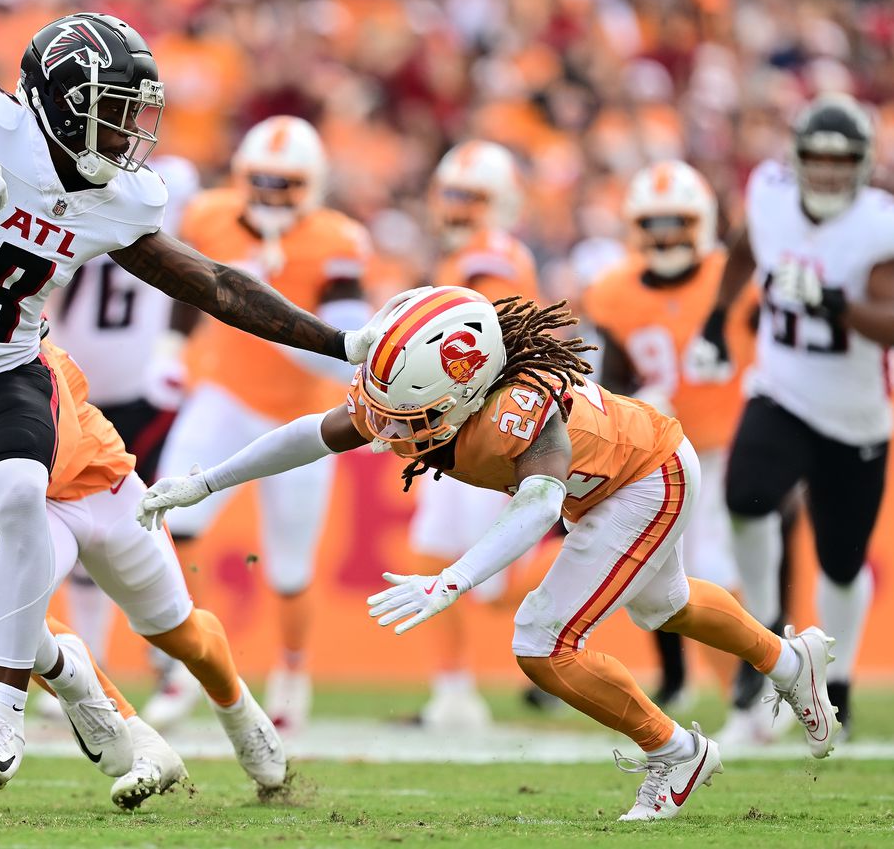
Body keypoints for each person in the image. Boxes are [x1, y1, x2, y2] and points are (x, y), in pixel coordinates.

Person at [0, 13, 392, 788]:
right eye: (116, 106)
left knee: (19, 489)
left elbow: (218, 285)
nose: (131, 128)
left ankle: (4, 721)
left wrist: (341, 343)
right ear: (59, 102)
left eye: (136, 109)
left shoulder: (118, 199)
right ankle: (100, 709)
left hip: (7, 370)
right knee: (0, 617)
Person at [138, 286, 840, 821]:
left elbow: (537, 506)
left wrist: (451, 580)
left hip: (644, 479)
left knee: (543, 640)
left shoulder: (519, 406)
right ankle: (789, 660)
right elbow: (315, 431)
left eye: (406, 415)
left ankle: (676, 753)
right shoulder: (436, 384)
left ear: (468, 384)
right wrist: (205, 480)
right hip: (614, 478)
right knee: (667, 605)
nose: (388, 431)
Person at [690, 93, 894, 740]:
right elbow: (745, 246)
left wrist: (832, 304)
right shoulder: (768, 193)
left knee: (840, 562)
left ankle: (839, 684)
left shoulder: (885, 225)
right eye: (816, 158)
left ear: (863, 164)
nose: (825, 172)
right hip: (782, 390)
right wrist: (717, 317)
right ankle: (766, 637)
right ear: (796, 159)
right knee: (744, 495)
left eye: (841, 160)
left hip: (855, 418)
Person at [146, 116, 372, 732]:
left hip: (301, 416)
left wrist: (265, 298)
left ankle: (293, 674)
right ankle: (181, 666)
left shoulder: (338, 240)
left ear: (313, 185)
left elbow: (341, 341)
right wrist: (170, 348)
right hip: (222, 396)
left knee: (291, 567)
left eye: (286, 184)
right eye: (261, 181)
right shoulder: (210, 215)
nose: (271, 195)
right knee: (169, 521)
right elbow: (184, 290)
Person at [582, 160, 756, 709]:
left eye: (676, 222)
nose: (665, 236)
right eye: (653, 224)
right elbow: (611, 380)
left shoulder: (732, 279)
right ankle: (736, 689)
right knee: (660, 570)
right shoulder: (613, 291)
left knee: (718, 568)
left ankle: (749, 691)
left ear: (701, 221)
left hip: (733, 442)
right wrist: (636, 407)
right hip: (665, 451)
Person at [44, 154, 200, 685]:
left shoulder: (164, 195)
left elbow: (193, 282)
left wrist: (173, 352)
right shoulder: (68, 193)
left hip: (140, 391)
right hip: (82, 391)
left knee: (150, 520)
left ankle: (170, 658)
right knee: (84, 521)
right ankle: (89, 660)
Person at [410, 141, 540, 729]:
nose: (458, 208)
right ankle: (453, 688)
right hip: (458, 428)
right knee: (437, 550)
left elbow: (486, 334)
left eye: (473, 198)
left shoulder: (487, 259)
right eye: (452, 195)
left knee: (492, 576)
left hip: (489, 426)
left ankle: (585, 596)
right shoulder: (464, 256)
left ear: (503, 204)